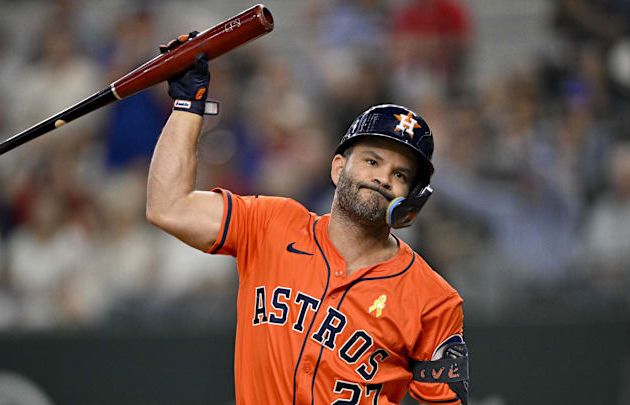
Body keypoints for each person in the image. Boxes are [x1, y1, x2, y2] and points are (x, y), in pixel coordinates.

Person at [146, 35, 469, 405]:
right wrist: (187, 106)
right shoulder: (270, 223)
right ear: (338, 168)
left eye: (400, 175)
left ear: (411, 196)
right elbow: (167, 206)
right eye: (372, 161)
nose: (383, 177)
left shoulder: (434, 300)